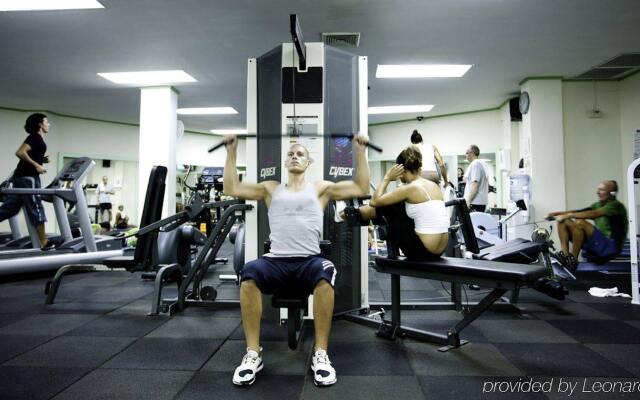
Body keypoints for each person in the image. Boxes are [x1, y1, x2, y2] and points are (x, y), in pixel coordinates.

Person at [223, 133, 370, 387]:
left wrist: (359, 152)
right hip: (276, 260)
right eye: (290, 154)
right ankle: (252, 353)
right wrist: (231, 153)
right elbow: (231, 188)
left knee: (326, 273)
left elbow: (361, 188)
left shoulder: (321, 188)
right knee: (248, 274)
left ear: (308, 162)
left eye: (300, 154)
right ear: (285, 162)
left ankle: (321, 353)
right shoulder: (270, 188)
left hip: (309, 260)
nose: (294, 156)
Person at [347, 146, 449, 260]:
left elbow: (374, 201)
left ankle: (350, 214)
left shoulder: (410, 188)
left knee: (387, 206)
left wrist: (387, 178)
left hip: (423, 252)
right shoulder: (433, 185)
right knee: (395, 204)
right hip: (440, 250)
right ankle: (356, 213)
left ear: (401, 169)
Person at [547, 180, 627, 270]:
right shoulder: (597, 205)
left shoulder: (616, 205)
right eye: (598, 190)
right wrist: (555, 214)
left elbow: (594, 214)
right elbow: (578, 212)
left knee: (580, 222)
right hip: (598, 243)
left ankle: (573, 259)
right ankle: (566, 257)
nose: (597, 192)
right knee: (563, 222)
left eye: (602, 190)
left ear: (612, 193)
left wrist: (567, 215)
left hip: (611, 247)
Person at [0, 113, 52, 250]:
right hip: (28, 178)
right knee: (36, 207)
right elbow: (20, 152)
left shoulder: (36, 139)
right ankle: (44, 242)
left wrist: (42, 160)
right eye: (47, 122)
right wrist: (37, 165)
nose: (49, 124)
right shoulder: (35, 137)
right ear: (40, 124)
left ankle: (43, 241)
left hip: (20, 177)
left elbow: (29, 154)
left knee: (9, 209)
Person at [463, 144, 489, 212]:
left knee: (474, 222)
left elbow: (475, 184)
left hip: (474, 203)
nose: (465, 155)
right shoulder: (481, 163)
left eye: (466, 153)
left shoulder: (476, 164)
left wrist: (468, 201)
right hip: (478, 202)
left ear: (472, 153)